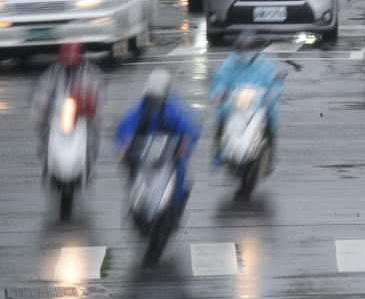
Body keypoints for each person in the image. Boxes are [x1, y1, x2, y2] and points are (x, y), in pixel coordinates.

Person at [117, 69, 201, 209]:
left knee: (180, 174)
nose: (154, 101)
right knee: (132, 173)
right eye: (151, 97)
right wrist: (125, 145)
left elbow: (189, 129)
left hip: (168, 155)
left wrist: (184, 146)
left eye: (157, 98)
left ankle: (175, 206)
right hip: (144, 153)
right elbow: (126, 127)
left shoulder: (173, 110)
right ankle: (134, 205)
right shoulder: (140, 109)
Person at [208, 30, 281, 165]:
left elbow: (274, 81)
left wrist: (272, 93)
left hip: (258, 103)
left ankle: (269, 151)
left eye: (250, 48)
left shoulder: (263, 63)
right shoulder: (231, 63)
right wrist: (219, 93)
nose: (247, 51)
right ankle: (219, 150)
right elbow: (220, 80)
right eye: (244, 48)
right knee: (221, 117)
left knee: (271, 118)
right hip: (236, 103)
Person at [31, 42, 105, 172]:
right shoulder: (54, 71)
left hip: (82, 113)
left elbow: (99, 91)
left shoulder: (90, 70)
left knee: (93, 131)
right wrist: (40, 110)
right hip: (59, 112)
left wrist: (94, 105)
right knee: (45, 129)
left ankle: (89, 161)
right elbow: (42, 91)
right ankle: (47, 156)